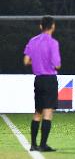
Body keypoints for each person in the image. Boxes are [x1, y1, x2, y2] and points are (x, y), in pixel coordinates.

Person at [23, 16, 61, 152]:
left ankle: (33, 145)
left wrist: (38, 62)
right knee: (48, 112)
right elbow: (57, 65)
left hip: (38, 79)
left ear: (40, 26)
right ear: (53, 26)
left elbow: (26, 61)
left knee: (37, 113)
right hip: (49, 79)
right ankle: (43, 145)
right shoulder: (53, 43)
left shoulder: (32, 41)